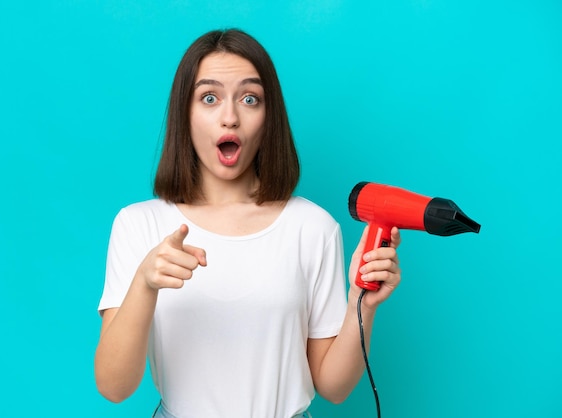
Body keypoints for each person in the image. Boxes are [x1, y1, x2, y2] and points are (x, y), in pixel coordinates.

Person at [94, 29, 401, 418]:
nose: (230, 117)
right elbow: (114, 387)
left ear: (268, 117)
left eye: (249, 98)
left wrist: (362, 302)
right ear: (183, 115)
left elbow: (333, 387)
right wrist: (144, 283)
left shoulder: (313, 227)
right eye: (209, 97)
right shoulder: (138, 224)